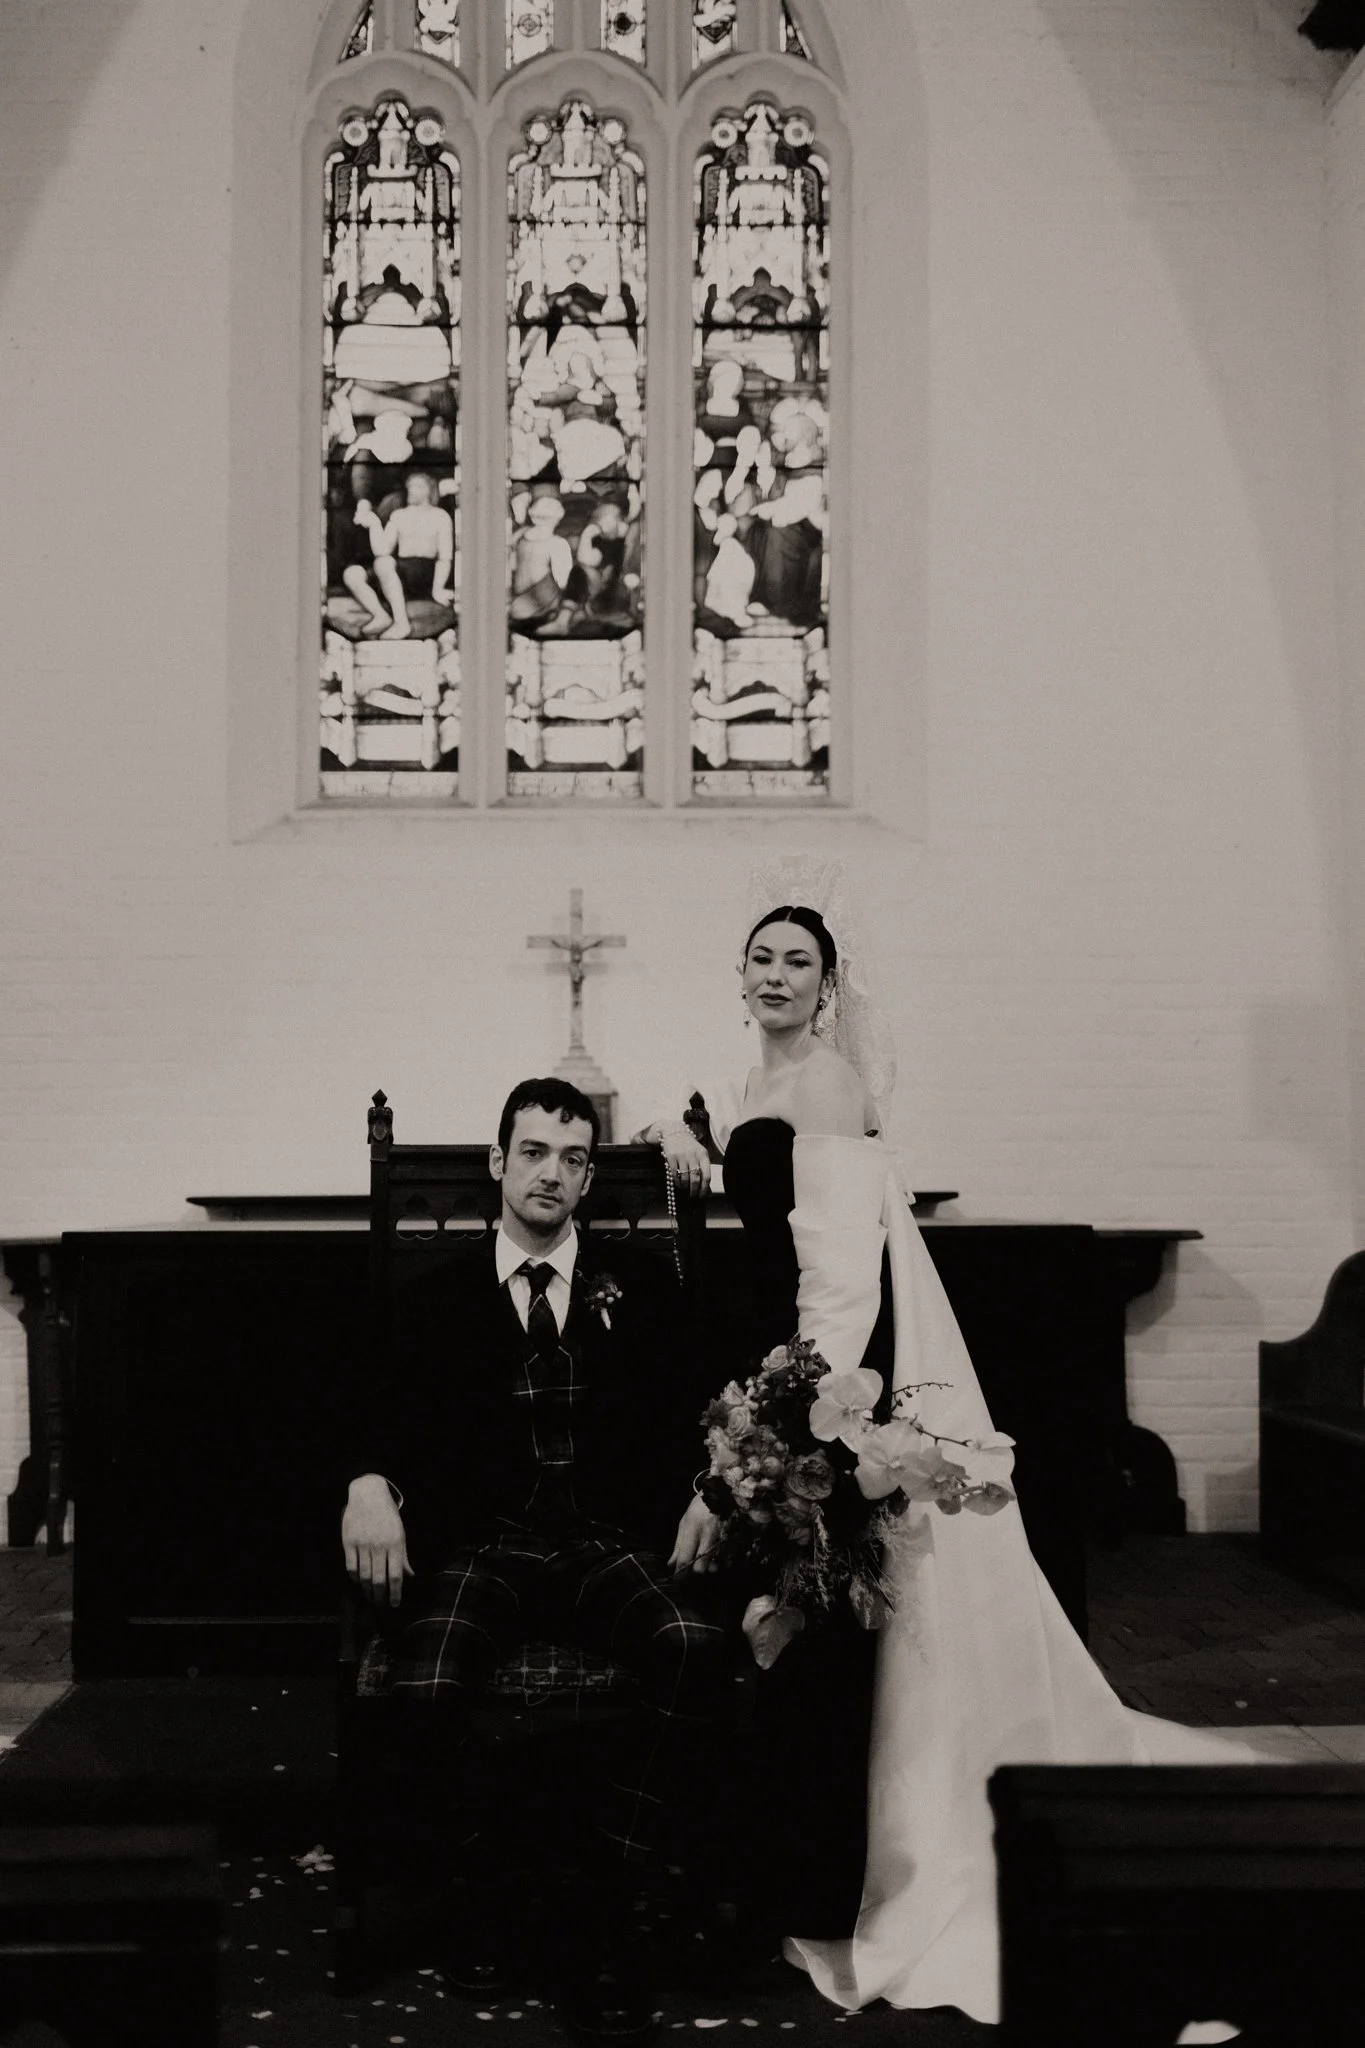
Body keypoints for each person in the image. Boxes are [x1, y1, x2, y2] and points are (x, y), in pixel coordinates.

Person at [645, 882, 1258, 2026]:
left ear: (828, 985)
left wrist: (795, 1411)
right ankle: (786, 1864)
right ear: (740, 975)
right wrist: (693, 1150)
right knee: (797, 1636)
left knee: (818, 1633)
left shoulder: (826, 1082)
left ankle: (825, 1877)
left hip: (820, 1373)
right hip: (783, 1359)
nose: (776, 974)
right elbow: (772, 1219)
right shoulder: (757, 1084)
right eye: (762, 956)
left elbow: (841, 1278)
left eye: (798, 960)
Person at [342, 1077, 731, 2040]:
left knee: (693, 1646)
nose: (550, 1173)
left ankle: (610, 1895)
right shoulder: (432, 1299)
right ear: (498, 1163)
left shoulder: (641, 1288)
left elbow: (709, 1412)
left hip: (606, 1541)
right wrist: (366, 1482)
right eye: (532, 1153)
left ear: (589, 1177)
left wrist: (711, 1490)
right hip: (484, 1546)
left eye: (571, 1158)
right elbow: (367, 1414)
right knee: (425, 1684)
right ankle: (484, 1890)